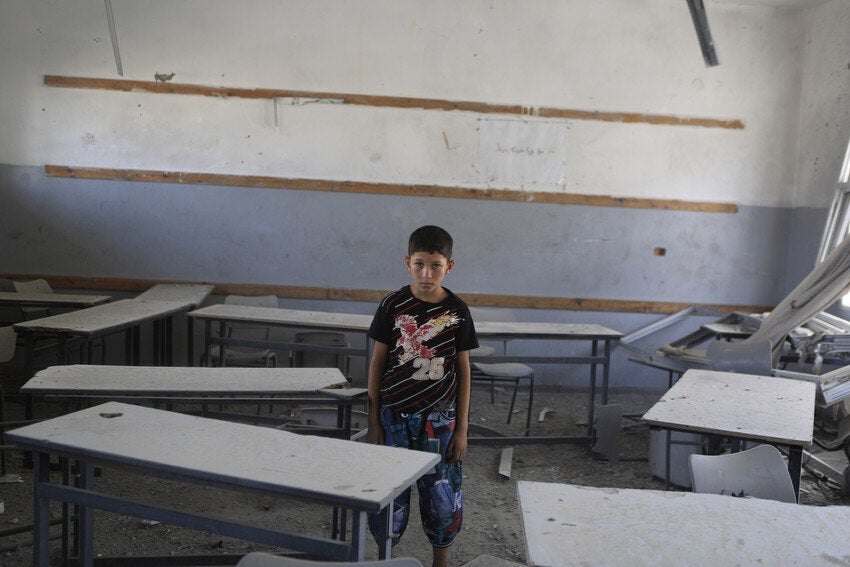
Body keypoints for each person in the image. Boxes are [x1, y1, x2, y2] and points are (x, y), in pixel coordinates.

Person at [367, 225, 478, 567]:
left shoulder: (458, 313)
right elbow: (377, 363)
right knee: (389, 495)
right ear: (407, 262)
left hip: (440, 422)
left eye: (435, 265)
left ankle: (440, 560)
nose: (426, 274)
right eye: (419, 264)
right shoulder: (392, 305)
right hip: (394, 417)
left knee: (441, 496)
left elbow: (464, 372)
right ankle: (386, 556)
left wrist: (461, 429)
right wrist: (373, 421)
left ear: (450, 267)